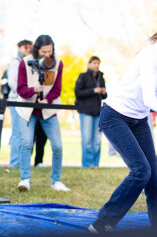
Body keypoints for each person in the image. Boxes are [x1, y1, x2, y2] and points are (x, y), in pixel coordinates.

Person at [89, 11, 157, 233]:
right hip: (114, 115)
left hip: (139, 120)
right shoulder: (149, 55)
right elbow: (149, 98)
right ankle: (102, 224)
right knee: (140, 171)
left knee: (153, 182)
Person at [16, 34, 70, 192]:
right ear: (36, 50)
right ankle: (25, 179)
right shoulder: (25, 63)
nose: (47, 55)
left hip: (48, 109)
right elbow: (20, 89)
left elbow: (57, 88)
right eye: (43, 52)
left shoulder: (58, 63)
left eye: (50, 51)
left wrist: (48, 99)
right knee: (26, 144)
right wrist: (34, 90)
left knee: (58, 146)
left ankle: (56, 181)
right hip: (28, 108)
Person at [74, 56, 107, 168]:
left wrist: (103, 91)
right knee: (87, 139)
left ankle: (95, 164)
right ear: (89, 64)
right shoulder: (83, 76)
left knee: (97, 140)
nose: (96, 65)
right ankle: (87, 164)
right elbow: (78, 92)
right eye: (94, 63)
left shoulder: (101, 77)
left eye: (98, 63)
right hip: (85, 111)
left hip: (98, 112)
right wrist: (93, 90)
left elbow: (105, 96)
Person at [7, 39, 32, 168]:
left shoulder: (29, 63)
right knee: (17, 133)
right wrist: (26, 92)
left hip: (27, 102)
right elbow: (13, 83)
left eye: (30, 47)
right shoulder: (15, 63)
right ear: (20, 48)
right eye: (25, 47)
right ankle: (14, 162)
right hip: (16, 101)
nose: (28, 49)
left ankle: (23, 162)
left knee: (25, 134)